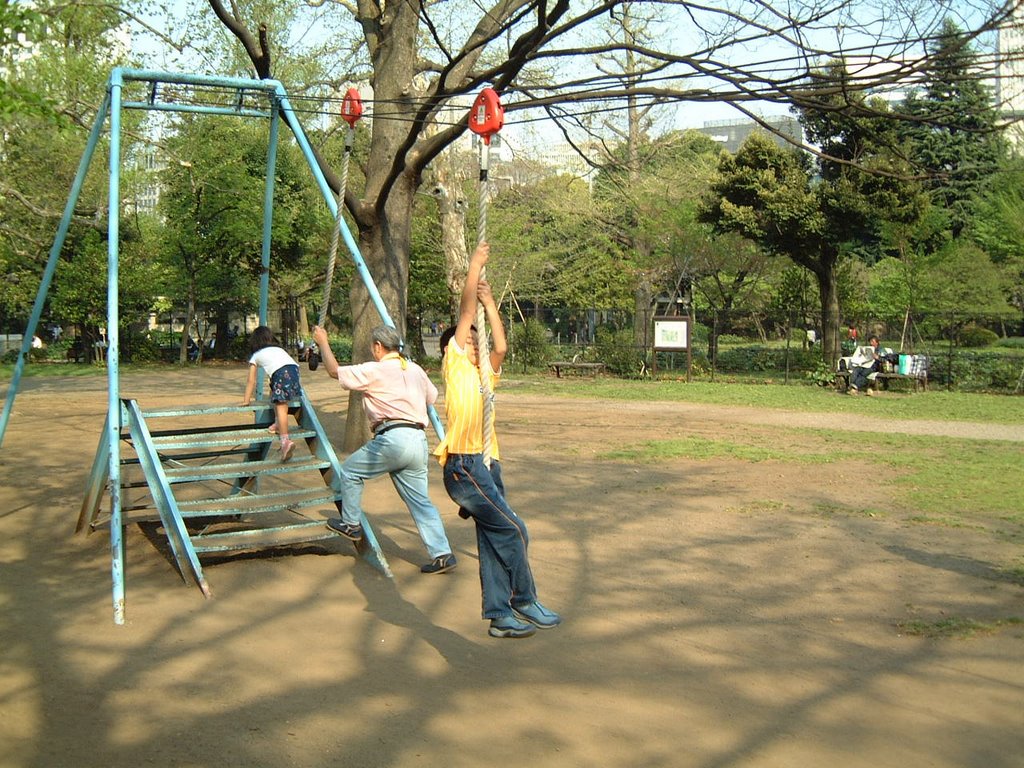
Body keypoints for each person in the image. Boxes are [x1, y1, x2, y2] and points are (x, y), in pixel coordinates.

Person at [434, 241, 561, 639]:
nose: (474, 345)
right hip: (465, 465)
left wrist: (491, 304)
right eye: (469, 341)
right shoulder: (455, 366)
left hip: (488, 463)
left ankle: (499, 615)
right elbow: (465, 313)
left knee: (492, 538)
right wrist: (474, 267)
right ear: (453, 349)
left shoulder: (483, 373)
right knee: (515, 530)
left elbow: (501, 345)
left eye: (475, 342)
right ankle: (523, 599)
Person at [311, 323, 456, 575]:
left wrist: (323, 341)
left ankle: (351, 523)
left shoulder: (374, 370)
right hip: (417, 439)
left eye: (372, 347)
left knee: (351, 471)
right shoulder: (415, 369)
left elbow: (334, 371)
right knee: (420, 501)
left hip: (392, 437)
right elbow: (431, 397)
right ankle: (442, 553)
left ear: (378, 347)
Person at [241, 325, 302, 461]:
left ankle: (285, 441)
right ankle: (277, 422)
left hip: (280, 373)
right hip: (295, 371)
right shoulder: (279, 350)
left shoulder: (256, 355)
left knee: (281, 406)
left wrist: (246, 400)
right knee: (275, 392)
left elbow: (251, 381)